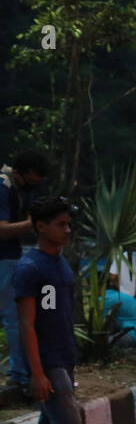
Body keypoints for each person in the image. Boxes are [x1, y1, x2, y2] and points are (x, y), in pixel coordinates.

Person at [16, 198, 118, 424]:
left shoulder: (60, 262)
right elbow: (26, 325)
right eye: (60, 224)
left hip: (64, 356)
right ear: (40, 226)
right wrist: (37, 372)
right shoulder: (29, 268)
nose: (67, 230)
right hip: (47, 361)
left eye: (68, 224)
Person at [0, 149, 48, 390]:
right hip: (4, 256)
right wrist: (32, 223)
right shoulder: (4, 186)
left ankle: (21, 370)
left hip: (11, 254)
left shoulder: (20, 189)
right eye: (30, 181)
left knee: (17, 316)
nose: (32, 186)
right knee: (13, 317)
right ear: (18, 173)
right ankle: (18, 373)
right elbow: (2, 229)